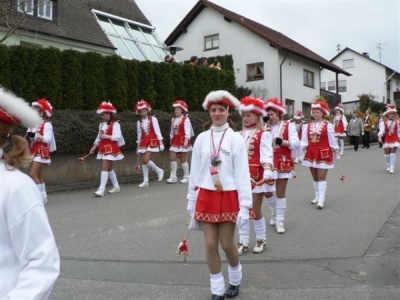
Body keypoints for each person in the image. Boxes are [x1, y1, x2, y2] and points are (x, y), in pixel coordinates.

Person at [186, 90, 252, 299]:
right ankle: (217, 289)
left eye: (221, 110)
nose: (217, 113)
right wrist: (191, 198)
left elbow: (242, 173)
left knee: (227, 244)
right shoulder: (202, 139)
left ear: (228, 112)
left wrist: (245, 205)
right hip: (207, 194)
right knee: (210, 244)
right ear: (209, 112)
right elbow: (195, 171)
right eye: (213, 110)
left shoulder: (235, 139)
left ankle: (235, 279)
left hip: (228, 195)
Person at [0, 86, 60, 299]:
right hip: (35, 150)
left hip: (40, 152)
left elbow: (41, 263)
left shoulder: (15, 187)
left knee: (35, 177)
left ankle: (41, 196)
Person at [237, 96, 274, 255]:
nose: (245, 118)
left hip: (256, 177)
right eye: (244, 115)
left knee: (255, 210)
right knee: (241, 210)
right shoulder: (238, 134)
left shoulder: (263, 134)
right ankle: (243, 241)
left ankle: (261, 239)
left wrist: (267, 170)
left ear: (257, 116)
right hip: (239, 176)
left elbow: (267, 155)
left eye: (249, 115)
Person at [264, 97, 299, 233]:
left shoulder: (288, 125)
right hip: (268, 161)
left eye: (272, 114)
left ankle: (280, 221)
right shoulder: (265, 127)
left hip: (283, 160)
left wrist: (283, 142)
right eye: (268, 114)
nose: (270, 117)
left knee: (280, 192)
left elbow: (296, 143)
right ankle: (274, 211)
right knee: (266, 191)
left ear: (278, 113)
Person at [301, 98, 339, 209]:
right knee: (314, 176)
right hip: (311, 152)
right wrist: (302, 150)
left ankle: (321, 199)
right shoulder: (307, 125)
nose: (315, 114)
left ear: (322, 113)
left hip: (324, 152)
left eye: (317, 112)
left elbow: (332, 139)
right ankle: (317, 196)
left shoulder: (328, 125)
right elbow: (304, 140)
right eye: (313, 112)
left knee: (321, 175)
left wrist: (336, 150)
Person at [90, 101, 125, 197]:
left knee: (104, 167)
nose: (103, 117)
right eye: (102, 115)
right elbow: (98, 137)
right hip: (102, 148)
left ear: (110, 114)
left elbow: (117, 137)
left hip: (111, 148)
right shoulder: (101, 125)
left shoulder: (116, 124)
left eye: (104, 115)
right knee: (109, 169)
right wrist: (94, 146)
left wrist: (106, 136)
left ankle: (101, 189)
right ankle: (116, 186)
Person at [25, 98, 56, 204]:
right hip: (33, 150)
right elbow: (28, 136)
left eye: (37, 111)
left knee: (33, 174)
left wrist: (36, 136)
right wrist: (28, 137)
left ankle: (38, 198)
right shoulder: (32, 124)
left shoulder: (47, 125)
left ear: (42, 113)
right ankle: (43, 197)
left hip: (41, 151)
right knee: (38, 175)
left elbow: (47, 139)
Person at [135, 100, 165, 187]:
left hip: (152, 141)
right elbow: (139, 135)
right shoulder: (139, 122)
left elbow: (157, 131)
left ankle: (159, 170)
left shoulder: (153, 119)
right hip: (144, 141)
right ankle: (146, 181)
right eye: (141, 112)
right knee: (144, 162)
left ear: (147, 111)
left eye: (144, 111)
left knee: (145, 160)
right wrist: (138, 146)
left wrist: (161, 142)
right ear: (139, 112)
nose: (143, 113)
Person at [166, 100, 194, 184]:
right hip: (175, 141)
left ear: (182, 110)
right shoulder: (173, 119)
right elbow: (172, 131)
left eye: (177, 109)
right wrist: (171, 139)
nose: (176, 111)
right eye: (175, 109)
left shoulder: (186, 119)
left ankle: (187, 176)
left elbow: (188, 131)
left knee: (183, 160)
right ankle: (173, 177)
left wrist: (186, 141)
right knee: (172, 158)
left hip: (182, 141)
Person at [378, 104, 400, 174]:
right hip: (387, 139)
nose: (392, 115)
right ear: (387, 114)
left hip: (395, 138)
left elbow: (399, 131)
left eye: (393, 114)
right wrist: (380, 136)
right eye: (390, 114)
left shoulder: (398, 122)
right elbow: (381, 131)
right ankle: (388, 164)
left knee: (393, 152)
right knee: (387, 154)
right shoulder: (383, 123)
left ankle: (392, 167)